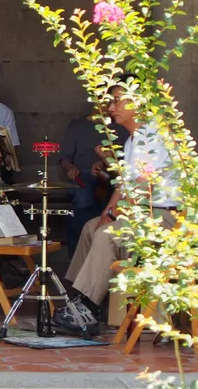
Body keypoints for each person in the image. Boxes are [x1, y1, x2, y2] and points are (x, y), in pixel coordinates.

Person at [55, 81, 179, 334]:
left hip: (163, 217)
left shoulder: (153, 137)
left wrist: (113, 215)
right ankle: (82, 297)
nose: (111, 107)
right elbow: (125, 184)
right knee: (92, 227)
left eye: (117, 101)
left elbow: (144, 187)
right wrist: (106, 213)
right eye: (110, 101)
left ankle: (88, 304)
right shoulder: (134, 139)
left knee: (107, 233)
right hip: (141, 214)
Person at [57, 106, 129, 256]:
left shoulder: (120, 128)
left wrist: (104, 163)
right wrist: (70, 167)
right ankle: (77, 255)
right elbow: (64, 157)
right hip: (82, 174)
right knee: (83, 197)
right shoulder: (77, 126)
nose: (109, 106)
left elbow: (125, 162)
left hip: (112, 175)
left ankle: (100, 250)